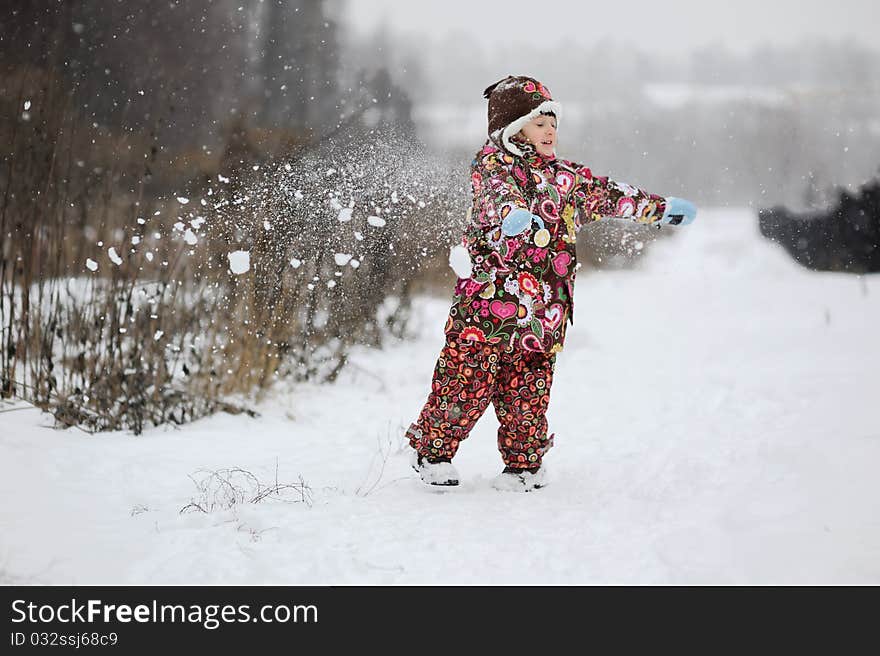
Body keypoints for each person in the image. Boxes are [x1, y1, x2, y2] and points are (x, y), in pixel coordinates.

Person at [405, 75, 697, 491]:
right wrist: (511, 216)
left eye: (553, 123)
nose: (550, 131)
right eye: (539, 122)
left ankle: (524, 465)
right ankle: (433, 453)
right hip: (487, 307)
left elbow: (611, 194)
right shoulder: (493, 165)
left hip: (544, 311)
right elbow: (496, 195)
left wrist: (660, 209)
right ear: (513, 129)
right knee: (466, 383)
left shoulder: (566, 180)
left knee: (528, 393)